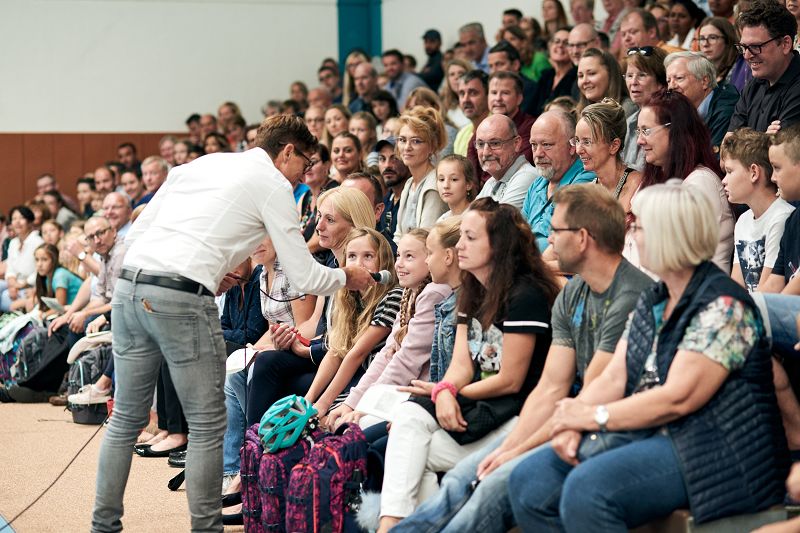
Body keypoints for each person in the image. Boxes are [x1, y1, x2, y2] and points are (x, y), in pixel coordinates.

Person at [90, 116, 374, 532]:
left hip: (131, 286)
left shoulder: (201, 164)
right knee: (207, 423)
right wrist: (347, 277)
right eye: (304, 162)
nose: (305, 174)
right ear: (287, 151)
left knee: (126, 418)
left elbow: (141, 231)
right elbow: (306, 274)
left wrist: (210, 267)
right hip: (181, 294)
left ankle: (103, 526)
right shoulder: (274, 184)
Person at [508, 181, 789, 532]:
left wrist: (592, 417)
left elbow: (678, 398)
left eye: (638, 227)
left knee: (590, 490)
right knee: (529, 482)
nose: (632, 235)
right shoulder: (655, 298)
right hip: (656, 434)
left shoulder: (724, 306)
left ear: (667, 235)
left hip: (716, 450)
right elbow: (614, 377)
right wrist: (572, 420)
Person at [395, 184, 653, 533]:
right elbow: (550, 386)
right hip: (567, 415)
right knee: (460, 476)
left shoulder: (629, 294)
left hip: (616, 425)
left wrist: (515, 449)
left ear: (582, 238)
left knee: (495, 482)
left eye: (556, 230)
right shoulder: (573, 292)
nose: (547, 240)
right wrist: (510, 446)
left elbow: (595, 393)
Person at [376, 198, 561, 532]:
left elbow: (510, 380)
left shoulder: (525, 295)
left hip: (514, 415)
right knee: (409, 421)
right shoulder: (472, 291)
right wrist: (446, 390)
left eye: (470, 238)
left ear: (499, 245)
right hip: (476, 405)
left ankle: (393, 527)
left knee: (414, 451)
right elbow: (461, 364)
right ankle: (393, 525)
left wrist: (449, 393)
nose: (459, 245)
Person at [245, 186, 377, 428]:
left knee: (267, 367)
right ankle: (245, 452)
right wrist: (290, 342)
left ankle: (253, 451)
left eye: (329, 220)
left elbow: (350, 344)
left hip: (352, 365)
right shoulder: (331, 265)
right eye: (318, 218)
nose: (318, 227)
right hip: (326, 351)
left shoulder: (364, 272)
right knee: (261, 362)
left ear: (353, 224)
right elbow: (317, 324)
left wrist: (306, 350)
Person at [304, 227, 402, 416]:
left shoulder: (393, 296)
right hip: (359, 379)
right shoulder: (351, 299)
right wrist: (308, 400)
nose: (359, 264)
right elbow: (336, 352)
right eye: (352, 257)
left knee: (322, 423)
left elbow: (357, 353)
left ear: (383, 262)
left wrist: (323, 404)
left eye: (368, 256)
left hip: (378, 382)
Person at [636, 90, 734, 272]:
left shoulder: (701, 183)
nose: (639, 140)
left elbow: (682, 260)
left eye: (646, 131)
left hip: (701, 294)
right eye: (639, 131)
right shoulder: (655, 176)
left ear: (675, 130)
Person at [721, 129, 795, 292]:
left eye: (729, 171)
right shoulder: (743, 221)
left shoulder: (781, 217)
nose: (723, 181)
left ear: (754, 172)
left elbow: (769, 290)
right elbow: (736, 286)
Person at [522, 109, 597, 252]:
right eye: (533, 145)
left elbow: (562, 245)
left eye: (547, 145)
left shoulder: (586, 179)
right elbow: (518, 232)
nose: (538, 153)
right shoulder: (536, 185)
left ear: (572, 147)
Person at [727, 0, 800, 133]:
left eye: (756, 47)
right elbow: (727, 147)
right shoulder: (752, 86)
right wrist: (764, 139)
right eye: (743, 47)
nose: (747, 55)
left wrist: (746, 140)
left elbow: (781, 152)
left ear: (785, 44)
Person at [574, 99, 642, 215]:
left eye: (587, 142)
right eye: (577, 141)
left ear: (614, 146)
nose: (578, 150)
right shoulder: (586, 192)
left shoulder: (638, 185)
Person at [666, 51, 739, 156]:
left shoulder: (726, 111)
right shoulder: (678, 111)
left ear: (704, 81)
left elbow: (714, 160)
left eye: (679, 78)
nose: (671, 87)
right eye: (668, 81)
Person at [393, 106, 449, 242]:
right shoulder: (409, 183)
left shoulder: (435, 185)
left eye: (416, 141)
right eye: (402, 140)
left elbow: (425, 239)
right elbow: (399, 235)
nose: (407, 147)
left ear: (432, 147)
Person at [469, 71, 536, 183]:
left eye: (505, 93)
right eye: (494, 93)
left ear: (519, 98)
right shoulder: (484, 127)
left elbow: (507, 166)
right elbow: (470, 173)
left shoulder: (531, 128)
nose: (498, 98)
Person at [758, 123, 800, 294]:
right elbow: (774, 284)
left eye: (777, 168)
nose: (773, 178)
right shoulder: (793, 220)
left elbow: (792, 293)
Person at [474, 115, 537, 210]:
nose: (486, 153)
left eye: (495, 143)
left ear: (516, 144)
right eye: (481, 144)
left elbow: (495, 222)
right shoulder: (492, 181)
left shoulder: (527, 176)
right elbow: (465, 218)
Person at [622, 46, 668, 170]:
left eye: (641, 75)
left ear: (661, 82)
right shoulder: (630, 120)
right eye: (629, 75)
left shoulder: (669, 119)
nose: (633, 82)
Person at [0, 206, 45, 312]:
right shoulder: (13, 242)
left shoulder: (38, 241)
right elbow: (10, 267)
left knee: (6, 298)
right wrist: (12, 283)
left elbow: (39, 270)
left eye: (21, 218)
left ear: (29, 221)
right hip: (15, 282)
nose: (17, 222)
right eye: (14, 219)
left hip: (31, 284)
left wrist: (22, 284)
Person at [529, 29, 579, 117]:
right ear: (550, 46)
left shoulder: (578, 76)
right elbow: (532, 109)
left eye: (566, 43)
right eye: (556, 41)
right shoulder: (546, 76)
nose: (560, 45)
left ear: (573, 49)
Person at [698, 17, 753, 92]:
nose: (705, 44)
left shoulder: (743, 66)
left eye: (712, 37)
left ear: (728, 40)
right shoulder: (700, 71)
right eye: (702, 38)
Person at [576, 48, 634, 115]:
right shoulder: (578, 113)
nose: (584, 81)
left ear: (611, 74)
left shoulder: (626, 109)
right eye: (580, 76)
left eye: (592, 73)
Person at [377, 138, 411, 238]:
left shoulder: (413, 197)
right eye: (382, 159)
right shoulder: (386, 200)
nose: (387, 165)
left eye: (395, 158)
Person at [454, 70, 490, 158]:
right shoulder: (462, 134)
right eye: (462, 93)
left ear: (488, 95)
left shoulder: (499, 127)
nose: (465, 99)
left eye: (473, 93)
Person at [619, 8, 684, 55]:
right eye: (623, 34)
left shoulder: (674, 55)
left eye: (633, 32)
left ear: (651, 32)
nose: (626, 39)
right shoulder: (626, 61)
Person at [436, 154, 479, 220]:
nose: (446, 186)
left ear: (469, 184)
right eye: (441, 179)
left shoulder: (476, 217)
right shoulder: (442, 220)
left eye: (454, 179)